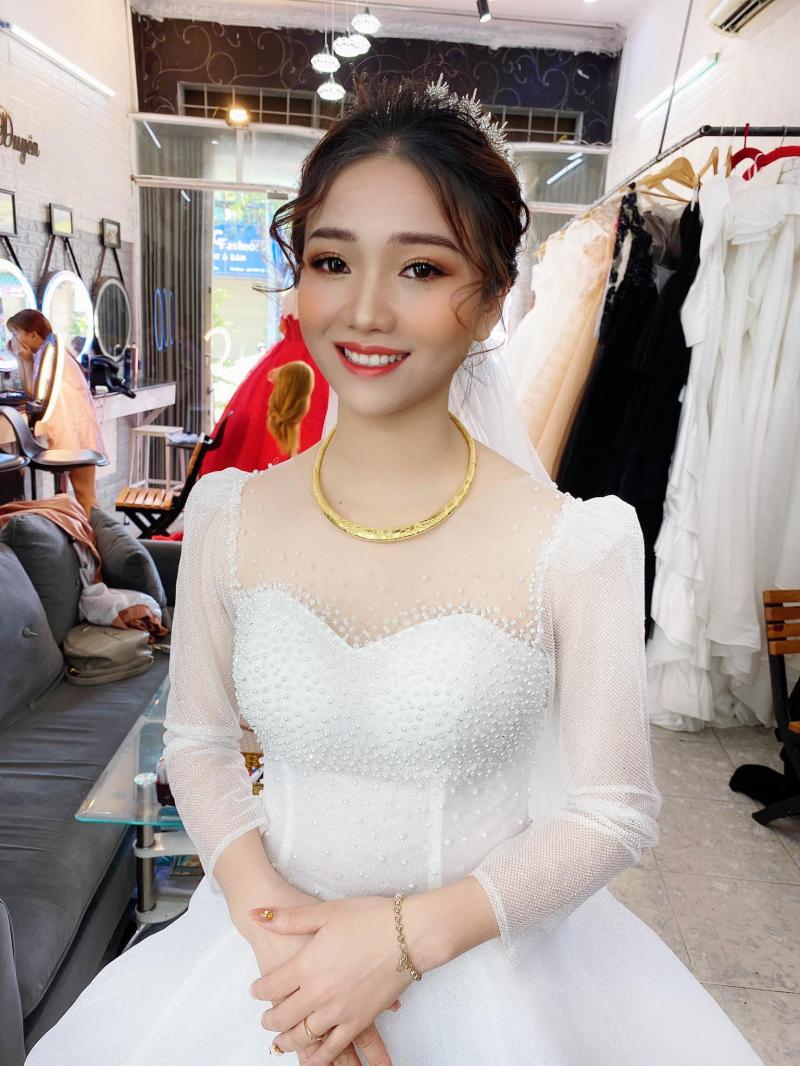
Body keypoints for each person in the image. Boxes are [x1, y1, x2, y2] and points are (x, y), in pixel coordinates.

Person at [25, 76, 763, 1065]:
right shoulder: (231, 515)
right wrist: (293, 960)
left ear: (492, 299)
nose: (365, 310)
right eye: (332, 261)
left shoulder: (579, 542)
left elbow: (613, 811)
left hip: (492, 969)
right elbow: (198, 747)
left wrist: (398, 944)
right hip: (264, 957)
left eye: (421, 268)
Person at [201, 304, 329, 475]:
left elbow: (284, 327)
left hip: (291, 358)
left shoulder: (292, 299)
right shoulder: (303, 300)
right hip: (310, 361)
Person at [7, 309, 104, 516]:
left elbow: (33, 392)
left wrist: (23, 359)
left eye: (16, 333)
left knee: (85, 496)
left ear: (33, 334)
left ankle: (98, 535)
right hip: (73, 430)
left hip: (76, 432)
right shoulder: (48, 352)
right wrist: (22, 358)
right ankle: (90, 534)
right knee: (85, 496)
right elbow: (32, 391)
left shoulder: (49, 355)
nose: (12, 339)